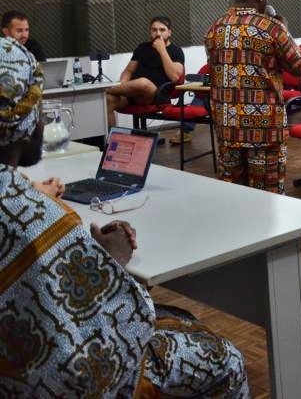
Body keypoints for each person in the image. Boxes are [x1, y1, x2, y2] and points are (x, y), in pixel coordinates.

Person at [0, 38, 250, 397]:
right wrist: (110, 260)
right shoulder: (38, 221)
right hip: (63, 383)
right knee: (226, 358)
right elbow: (116, 327)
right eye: (38, 105)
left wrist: (86, 256)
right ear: (21, 120)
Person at [206, 0, 301, 194]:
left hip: (227, 127)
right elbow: (299, 65)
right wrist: (283, 28)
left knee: (232, 194)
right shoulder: (271, 27)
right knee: (267, 196)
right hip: (264, 129)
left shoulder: (215, 28)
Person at [105, 16, 185, 128]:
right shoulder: (142, 47)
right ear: (150, 31)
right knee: (108, 100)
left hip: (157, 94)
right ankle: (111, 141)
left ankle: (102, 90)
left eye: (162, 30)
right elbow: (128, 72)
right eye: (154, 30)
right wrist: (123, 84)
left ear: (169, 32)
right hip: (133, 93)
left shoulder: (176, 51)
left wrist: (162, 50)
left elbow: (175, 77)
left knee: (143, 83)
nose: (158, 33)